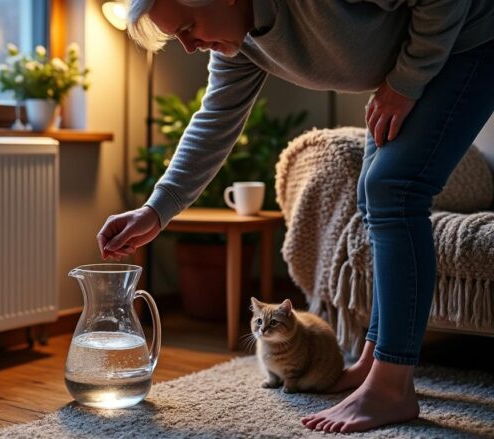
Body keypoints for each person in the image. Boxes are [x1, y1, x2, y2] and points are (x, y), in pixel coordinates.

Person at [96, 0, 494, 433]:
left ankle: (393, 386)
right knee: (372, 195)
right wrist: (156, 210)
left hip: (473, 37)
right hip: (414, 62)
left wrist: (404, 82)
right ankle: (371, 363)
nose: (190, 47)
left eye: (189, 27)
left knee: (393, 189)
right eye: (180, 37)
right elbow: (214, 120)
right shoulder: (237, 45)